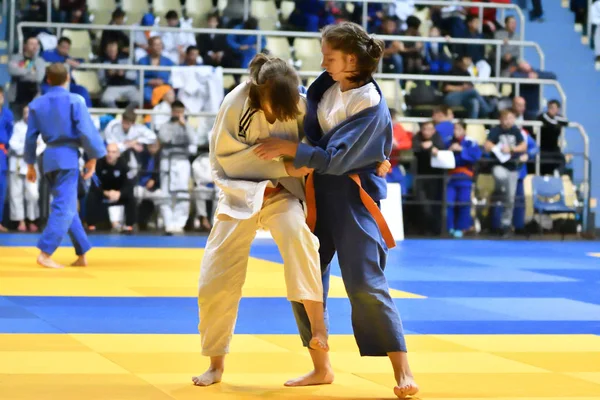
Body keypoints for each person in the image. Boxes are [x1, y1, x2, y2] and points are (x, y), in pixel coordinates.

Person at [254, 22, 418, 398]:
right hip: (314, 192)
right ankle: (320, 367)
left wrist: (289, 150)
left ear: (352, 60)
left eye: (330, 57)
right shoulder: (326, 86)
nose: (323, 62)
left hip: (351, 197)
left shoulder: (369, 103)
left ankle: (402, 370)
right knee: (305, 276)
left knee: (364, 281)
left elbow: (337, 156)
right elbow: (305, 125)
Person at [192, 54, 329, 388]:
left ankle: (321, 351)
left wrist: (288, 155)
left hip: (282, 194)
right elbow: (224, 162)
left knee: (302, 243)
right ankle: (216, 363)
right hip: (239, 197)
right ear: (259, 92)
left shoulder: (300, 102)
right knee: (215, 278)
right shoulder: (236, 103)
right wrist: (282, 165)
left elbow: (313, 149)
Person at [24, 63, 106, 269]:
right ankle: (45, 252)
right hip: (68, 158)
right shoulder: (74, 100)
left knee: (67, 204)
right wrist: (93, 158)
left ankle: (82, 253)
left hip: (48, 158)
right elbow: (86, 132)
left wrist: (30, 164)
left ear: (48, 79)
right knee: (64, 206)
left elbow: (30, 138)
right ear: (68, 78)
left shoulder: (37, 104)